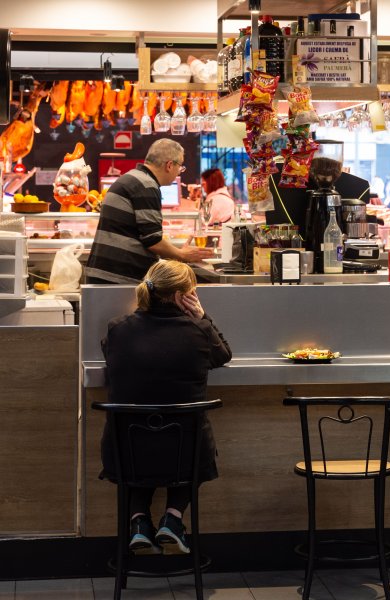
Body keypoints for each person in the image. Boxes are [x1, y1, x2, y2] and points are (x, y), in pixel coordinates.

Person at [100, 260, 232, 555]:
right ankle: (173, 518)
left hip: (125, 453)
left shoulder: (118, 329)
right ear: (181, 296)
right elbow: (223, 356)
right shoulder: (197, 332)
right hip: (185, 453)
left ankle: (138, 522)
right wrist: (203, 317)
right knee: (187, 442)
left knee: (140, 449)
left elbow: (110, 351)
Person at [86, 139, 213, 284]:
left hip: (107, 273)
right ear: (170, 165)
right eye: (180, 167)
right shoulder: (146, 185)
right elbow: (153, 240)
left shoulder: (132, 177)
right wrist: (182, 255)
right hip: (118, 277)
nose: (180, 171)